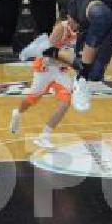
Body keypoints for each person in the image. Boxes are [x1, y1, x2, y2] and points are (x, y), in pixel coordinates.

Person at [10, 11, 78, 149]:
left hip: (60, 70)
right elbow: (47, 52)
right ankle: (17, 113)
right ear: (69, 17)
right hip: (45, 68)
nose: (74, 21)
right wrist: (69, 60)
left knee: (66, 102)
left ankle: (44, 136)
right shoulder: (62, 28)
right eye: (72, 18)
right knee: (31, 100)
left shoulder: (83, 30)